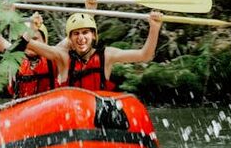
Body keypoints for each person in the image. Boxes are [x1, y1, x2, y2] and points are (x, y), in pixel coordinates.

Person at [23, 8, 164, 90]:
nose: (81, 38)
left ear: (93, 35)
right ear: (70, 39)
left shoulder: (107, 55)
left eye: (85, 33)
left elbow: (145, 55)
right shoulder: (63, 57)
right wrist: (32, 28)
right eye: (76, 34)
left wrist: (154, 28)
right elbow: (25, 43)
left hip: (96, 118)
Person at [7, 12, 59, 98]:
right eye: (27, 40)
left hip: (46, 107)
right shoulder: (14, 58)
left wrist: (90, 11)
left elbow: (71, 43)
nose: (30, 44)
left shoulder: (54, 58)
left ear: (45, 41)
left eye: (34, 39)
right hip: (22, 108)